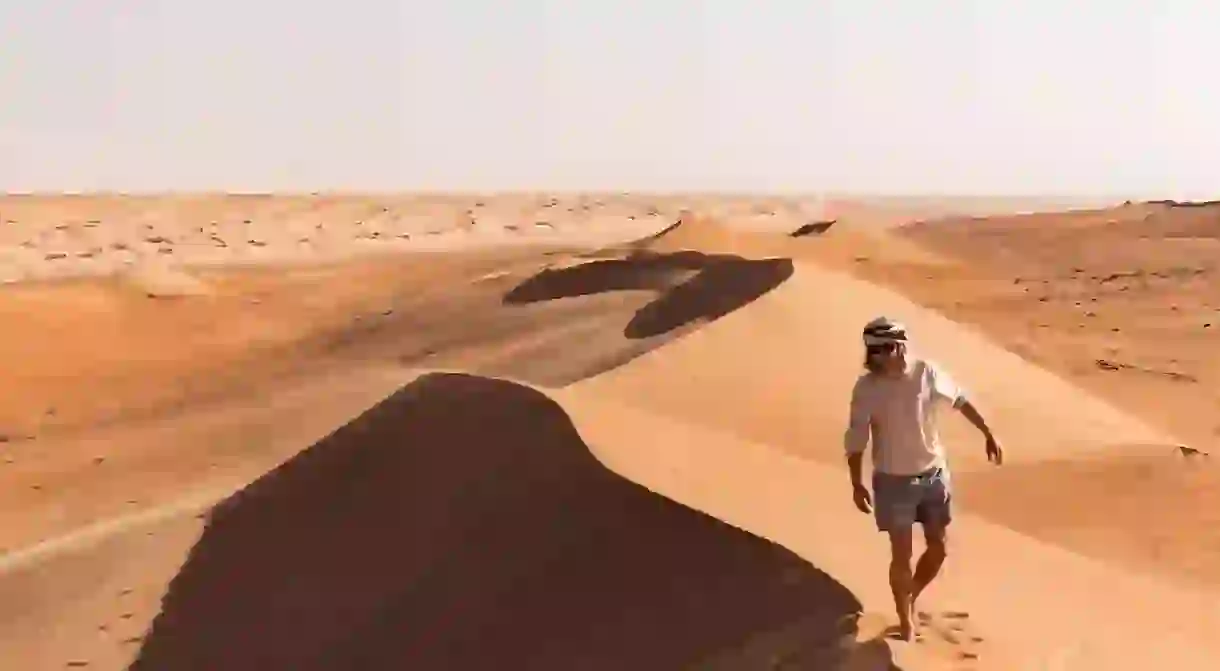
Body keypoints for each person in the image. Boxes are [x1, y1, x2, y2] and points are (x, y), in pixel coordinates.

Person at [843, 316, 1003, 641]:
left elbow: (959, 399)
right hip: (893, 481)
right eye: (883, 349)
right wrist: (856, 482)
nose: (892, 354)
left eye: (894, 346)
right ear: (872, 354)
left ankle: (911, 594)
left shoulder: (925, 372)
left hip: (933, 475)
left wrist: (988, 432)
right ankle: (905, 619)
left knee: (939, 548)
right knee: (901, 554)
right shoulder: (867, 389)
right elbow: (856, 437)